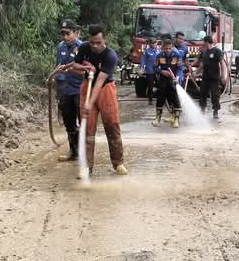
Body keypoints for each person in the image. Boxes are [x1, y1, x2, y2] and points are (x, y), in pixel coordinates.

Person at [60, 24, 127, 176]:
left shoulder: (110, 55)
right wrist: (85, 68)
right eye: (92, 42)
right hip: (86, 86)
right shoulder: (84, 47)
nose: (95, 46)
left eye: (98, 42)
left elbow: (100, 81)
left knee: (112, 126)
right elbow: (75, 64)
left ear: (105, 40)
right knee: (87, 128)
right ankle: (86, 167)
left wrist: (89, 103)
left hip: (105, 89)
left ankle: (118, 163)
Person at [47, 20, 82, 161]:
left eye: (68, 33)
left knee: (83, 122)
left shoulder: (82, 47)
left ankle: (85, 153)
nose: (65, 36)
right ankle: (73, 152)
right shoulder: (60, 46)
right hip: (64, 90)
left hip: (78, 90)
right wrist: (52, 77)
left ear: (76, 33)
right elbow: (58, 65)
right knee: (69, 122)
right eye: (63, 33)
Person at [193, 35, 225, 119]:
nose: (203, 44)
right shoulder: (204, 52)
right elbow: (202, 64)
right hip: (205, 77)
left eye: (204, 42)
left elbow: (222, 63)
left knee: (215, 95)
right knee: (202, 94)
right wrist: (195, 72)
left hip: (214, 78)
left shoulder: (217, 51)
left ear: (206, 42)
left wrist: (223, 76)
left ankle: (215, 111)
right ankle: (202, 109)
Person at [153, 37, 182, 128]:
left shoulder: (177, 55)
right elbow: (154, 67)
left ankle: (176, 119)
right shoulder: (159, 55)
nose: (168, 50)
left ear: (172, 47)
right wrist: (162, 71)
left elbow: (180, 68)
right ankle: (157, 118)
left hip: (173, 81)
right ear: (163, 48)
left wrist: (177, 77)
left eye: (170, 48)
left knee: (174, 99)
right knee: (160, 98)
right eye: (166, 48)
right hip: (163, 80)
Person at [140, 38, 159, 104]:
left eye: (155, 43)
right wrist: (142, 68)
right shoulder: (146, 51)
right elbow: (143, 60)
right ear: (149, 44)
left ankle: (160, 97)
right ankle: (150, 100)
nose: (153, 44)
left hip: (157, 71)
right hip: (149, 71)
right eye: (152, 43)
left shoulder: (158, 51)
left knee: (160, 84)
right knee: (150, 86)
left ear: (156, 43)